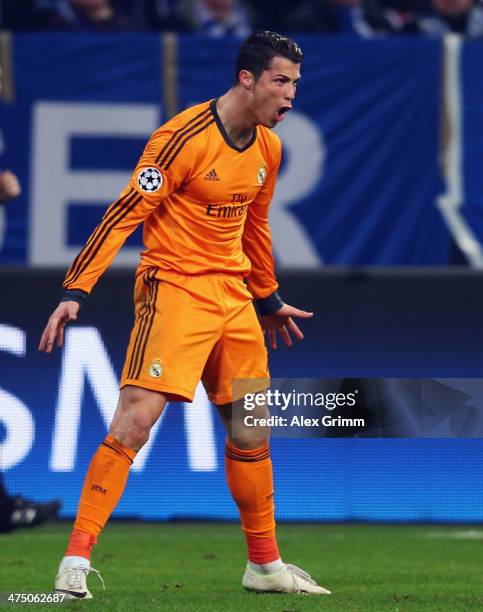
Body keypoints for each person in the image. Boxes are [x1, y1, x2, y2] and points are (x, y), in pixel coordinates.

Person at [39, 30, 330, 598]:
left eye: (295, 82)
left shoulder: (268, 148)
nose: (291, 95)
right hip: (174, 289)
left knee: (251, 432)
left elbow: (254, 226)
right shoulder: (180, 139)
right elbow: (124, 212)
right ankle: (75, 561)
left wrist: (266, 297)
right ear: (246, 79)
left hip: (234, 298)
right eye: (281, 81)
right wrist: (77, 289)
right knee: (136, 420)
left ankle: (264, 566)